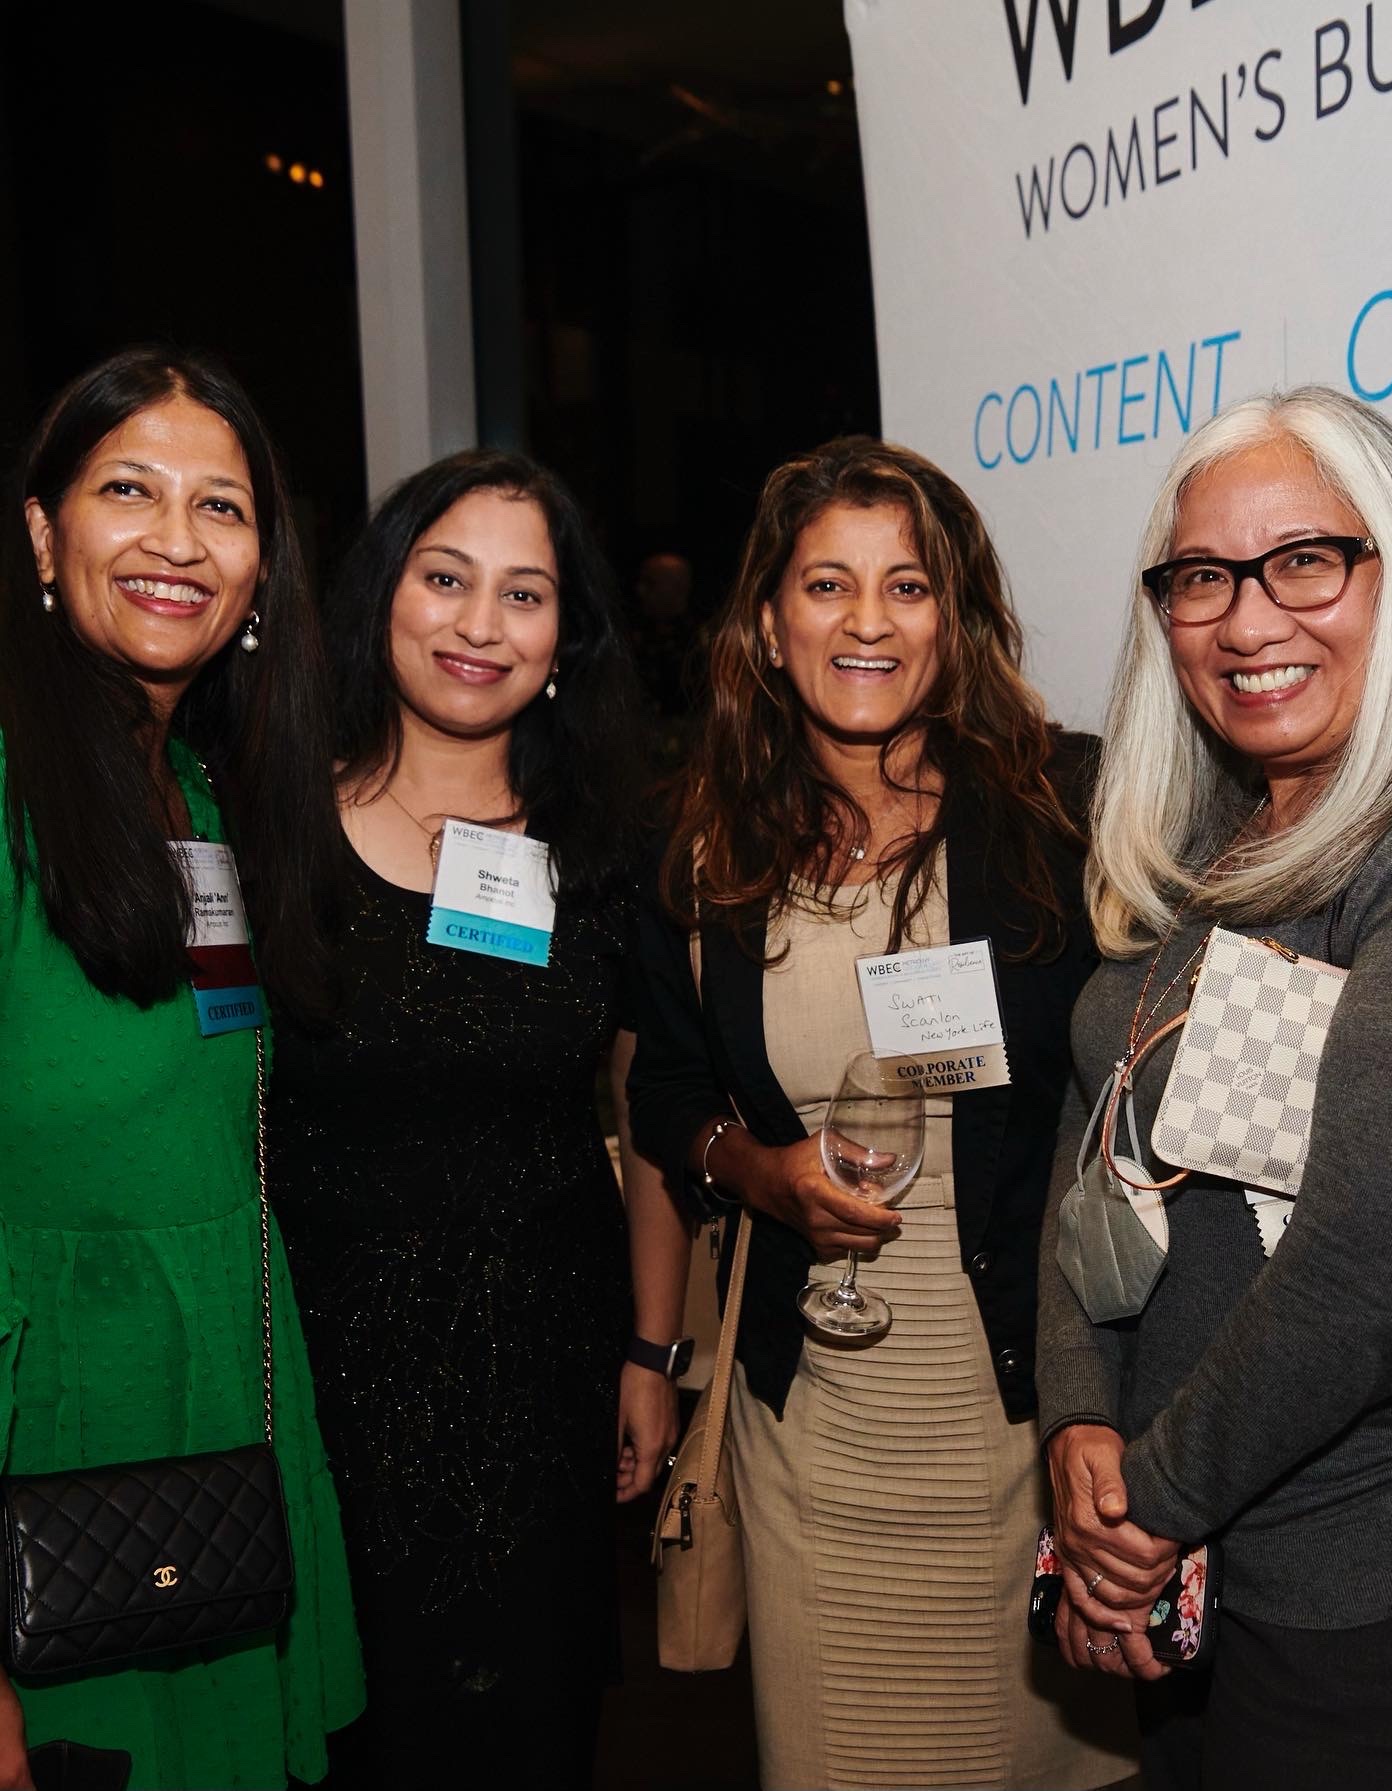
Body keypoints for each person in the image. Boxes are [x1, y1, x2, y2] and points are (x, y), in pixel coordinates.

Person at [628, 436, 1137, 1790]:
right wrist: (750, 1167)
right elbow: (667, 1087)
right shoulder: (707, 853)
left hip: (1036, 1430)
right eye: (826, 585)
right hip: (819, 1441)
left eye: (905, 587)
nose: (865, 622)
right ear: (767, 623)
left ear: (954, 618)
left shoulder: (1063, 813)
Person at [266, 449, 690, 1789]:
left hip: (544, 1382)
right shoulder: (270, 825)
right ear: (383, 594)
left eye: (524, 594)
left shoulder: (608, 848)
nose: (477, 625)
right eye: (445, 579)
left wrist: (649, 1350)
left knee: (529, 1732)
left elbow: (652, 1106)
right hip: (330, 1378)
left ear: (565, 639)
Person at [1035, 386, 1392, 1790]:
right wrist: (1078, 1419)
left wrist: (1140, 1506)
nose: (1249, 620)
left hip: (1358, 1590)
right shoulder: (1205, 837)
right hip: (1192, 1564)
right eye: (1205, 576)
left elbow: (1378, 1265)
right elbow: (1097, 1149)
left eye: (1306, 561)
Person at [0, 346, 364, 1789]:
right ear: (43, 532)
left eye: (221, 508)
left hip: (218, 1417)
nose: (176, 540)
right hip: (58, 1438)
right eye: (129, 491)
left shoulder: (205, 795)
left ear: (264, 564)